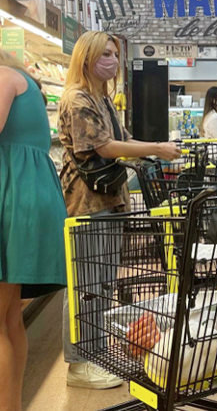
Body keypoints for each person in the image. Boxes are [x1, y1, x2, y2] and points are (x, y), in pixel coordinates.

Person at [58, 31, 181, 389]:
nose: (111, 60)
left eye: (114, 53)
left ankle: (94, 352)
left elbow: (121, 140)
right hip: (86, 204)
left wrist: (151, 150)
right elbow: (106, 146)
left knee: (102, 282)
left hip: (110, 201)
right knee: (85, 284)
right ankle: (79, 363)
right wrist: (157, 148)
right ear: (86, 58)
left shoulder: (104, 99)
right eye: (104, 54)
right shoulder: (78, 98)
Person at [0, 50, 67, 410]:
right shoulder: (24, 83)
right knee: (9, 317)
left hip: (9, 197)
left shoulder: (2, 77)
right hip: (27, 196)